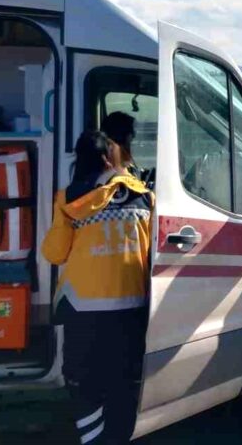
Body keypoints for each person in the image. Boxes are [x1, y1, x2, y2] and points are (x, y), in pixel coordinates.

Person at [42, 126, 152, 444]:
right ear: (108, 160)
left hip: (83, 309)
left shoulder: (69, 200)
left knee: (84, 383)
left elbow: (53, 253)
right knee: (124, 381)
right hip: (131, 307)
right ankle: (118, 435)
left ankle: (93, 439)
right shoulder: (144, 196)